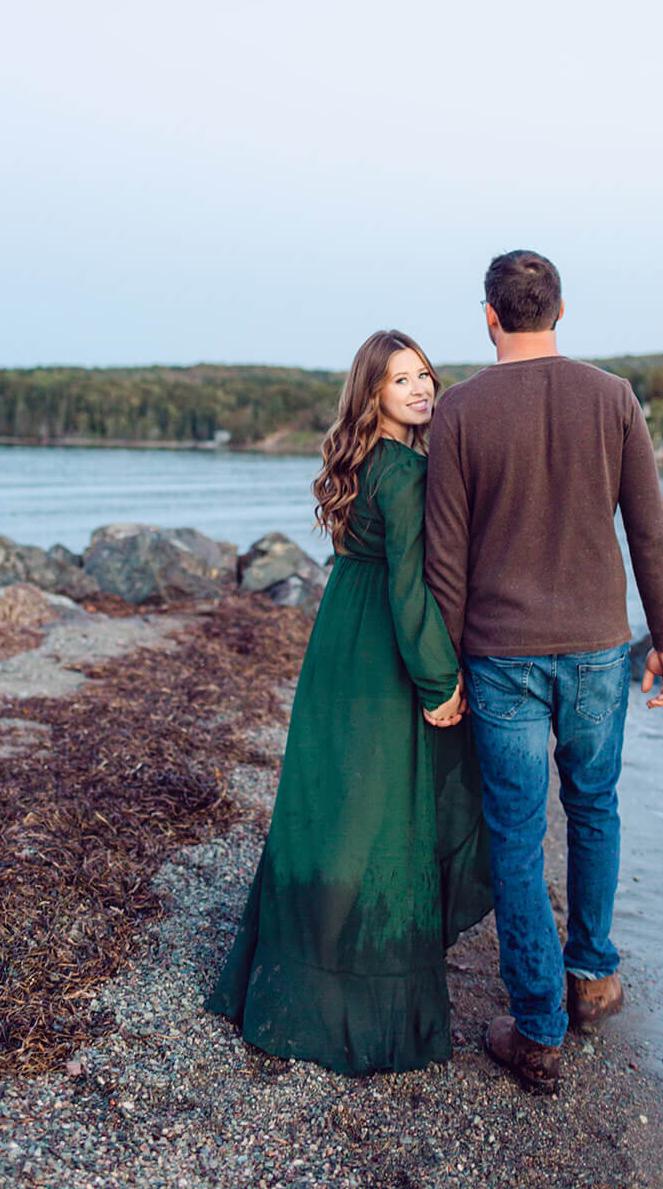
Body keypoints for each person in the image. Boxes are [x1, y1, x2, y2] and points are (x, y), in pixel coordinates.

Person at [424, 251, 663, 1096]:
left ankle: (536, 1027)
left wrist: (444, 667)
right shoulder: (611, 397)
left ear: (489, 317)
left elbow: (445, 559)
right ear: (559, 310)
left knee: (515, 831)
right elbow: (649, 528)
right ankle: (592, 978)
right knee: (594, 805)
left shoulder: (457, 412)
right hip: (600, 646)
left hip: (498, 655)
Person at [204, 329, 492, 1074]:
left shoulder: (361, 460)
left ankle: (281, 979)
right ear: (372, 396)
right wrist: (439, 682)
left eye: (424, 375)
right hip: (382, 662)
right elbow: (408, 590)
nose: (421, 389)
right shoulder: (404, 473)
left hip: (338, 643)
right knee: (381, 818)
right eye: (401, 381)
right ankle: (351, 1005)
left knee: (330, 805)